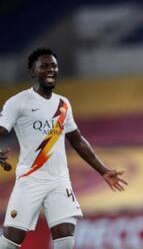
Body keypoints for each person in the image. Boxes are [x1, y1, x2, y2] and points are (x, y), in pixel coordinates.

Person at [0, 48, 127, 249]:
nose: (51, 70)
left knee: (66, 239)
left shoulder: (63, 104)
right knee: (10, 243)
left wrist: (103, 170)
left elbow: (77, 141)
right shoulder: (18, 102)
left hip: (59, 181)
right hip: (30, 180)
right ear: (33, 72)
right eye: (44, 66)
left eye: (54, 66)